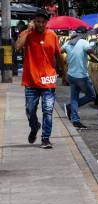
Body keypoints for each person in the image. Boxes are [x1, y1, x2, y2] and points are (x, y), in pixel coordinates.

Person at [15, 9, 66, 149]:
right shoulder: (28, 35)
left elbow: (59, 56)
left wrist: (64, 74)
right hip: (31, 80)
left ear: (46, 22)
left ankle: (45, 139)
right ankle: (34, 126)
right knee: (30, 110)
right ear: (33, 22)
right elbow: (18, 47)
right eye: (38, 21)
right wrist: (27, 30)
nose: (41, 24)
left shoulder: (52, 35)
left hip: (48, 80)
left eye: (43, 22)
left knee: (48, 110)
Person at [61, 26, 98, 129]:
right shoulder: (84, 42)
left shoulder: (68, 43)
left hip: (71, 75)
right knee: (92, 96)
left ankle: (75, 119)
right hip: (81, 76)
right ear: (84, 34)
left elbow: (60, 51)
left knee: (74, 98)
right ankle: (71, 109)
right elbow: (90, 53)